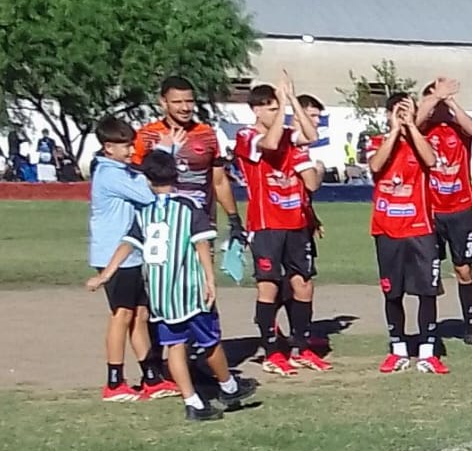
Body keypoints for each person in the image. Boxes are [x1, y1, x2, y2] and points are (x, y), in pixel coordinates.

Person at [87, 149, 259, 422]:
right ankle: (229, 387)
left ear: (147, 180)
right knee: (210, 342)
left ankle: (193, 402)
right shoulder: (188, 206)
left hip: (160, 295)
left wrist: (105, 275)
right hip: (189, 291)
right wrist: (209, 279)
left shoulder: (144, 212)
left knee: (175, 346)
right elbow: (201, 244)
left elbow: (127, 244)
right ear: (177, 175)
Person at [233, 76, 326, 377]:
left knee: (303, 284)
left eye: (278, 108)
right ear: (256, 110)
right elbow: (270, 143)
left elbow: (311, 135)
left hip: (295, 223)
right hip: (266, 224)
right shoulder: (246, 136)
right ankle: (272, 351)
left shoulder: (288, 134)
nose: (278, 113)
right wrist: (283, 103)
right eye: (272, 109)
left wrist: (293, 100)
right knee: (269, 286)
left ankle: (302, 347)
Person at [87, 115, 177, 401]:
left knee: (140, 314)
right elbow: (149, 193)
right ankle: (114, 382)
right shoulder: (110, 174)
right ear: (108, 148)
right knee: (122, 315)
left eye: (130, 144)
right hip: (114, 254)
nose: (130, 151)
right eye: (125, 146)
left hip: (133, 254)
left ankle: (151, 377)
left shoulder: (123, 171)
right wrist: (163, 154)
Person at [369, 93, 447, 375]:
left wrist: (412, 127)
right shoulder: (377, 141)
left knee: (427, 292)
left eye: (409, 110)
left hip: (420, 230)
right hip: (387, 231)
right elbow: (375, 166)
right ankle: (398, 349)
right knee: (393, 293)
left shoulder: (422, 141)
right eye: (400, 111)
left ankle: (427, 352)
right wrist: (394, 131)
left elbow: (431, 160)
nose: (404, 116)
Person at [415, 77, 472, 347]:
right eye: (435, 101)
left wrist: (450, 101)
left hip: (460, 209)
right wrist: (434, 97)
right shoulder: (421, 131)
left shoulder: (459, 130)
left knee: (463, 270)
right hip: (430, 210)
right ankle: (429, 329)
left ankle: (470, 326)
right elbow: (415, 120)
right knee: (429, 271)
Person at [134, 76, 241, 248]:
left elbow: (219, 181)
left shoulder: (207, 134)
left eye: (189, 101)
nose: (185, 108)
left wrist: (234, 219)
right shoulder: (147, 135)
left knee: (203, 266)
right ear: (163, 102)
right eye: (177, 102)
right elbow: (136, 179)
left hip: (202, 223)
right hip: (162, 224)